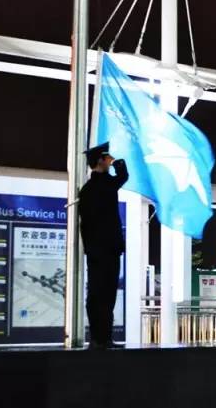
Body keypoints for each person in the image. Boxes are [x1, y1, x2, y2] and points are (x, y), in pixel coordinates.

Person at [79, 141, 128, 349]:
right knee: (102, 294)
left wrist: (90, 248)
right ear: (100, 160)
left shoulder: (91, 188)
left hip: (101, 250)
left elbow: (84, 225)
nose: (110, 161)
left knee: (102, 294)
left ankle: (101, 338)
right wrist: (119, 164)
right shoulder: (100, 186)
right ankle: (101, 338)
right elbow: (122, 177)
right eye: (107, 158)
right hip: (105, 250)